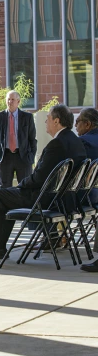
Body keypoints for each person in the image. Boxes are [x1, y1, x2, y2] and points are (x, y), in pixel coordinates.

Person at [0, 104, 87, 264]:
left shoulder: (57, 144)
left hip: (46, 199)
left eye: (48, 119)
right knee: (5, 197)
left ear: (57, 121)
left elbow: (39, 178)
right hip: (64, 198)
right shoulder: (75, 141)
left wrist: (20, 185)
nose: (46, 122)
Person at [0, 90, 37, 188]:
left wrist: (31, 156)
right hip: (5, 156)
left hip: (23, 157)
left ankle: (24, 204)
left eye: (12, 99)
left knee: (26, 188)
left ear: (18, 102)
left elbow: (32, 139)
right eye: (8, 99)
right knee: (4, 189)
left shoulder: (27, 117)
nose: (10, 102)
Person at [75, 108, 98, 273]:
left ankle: (53, 240)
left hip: (88, 195)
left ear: (88, 124)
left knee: (54, 196)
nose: (76, 125)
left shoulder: (83, 142)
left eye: (78, 122)